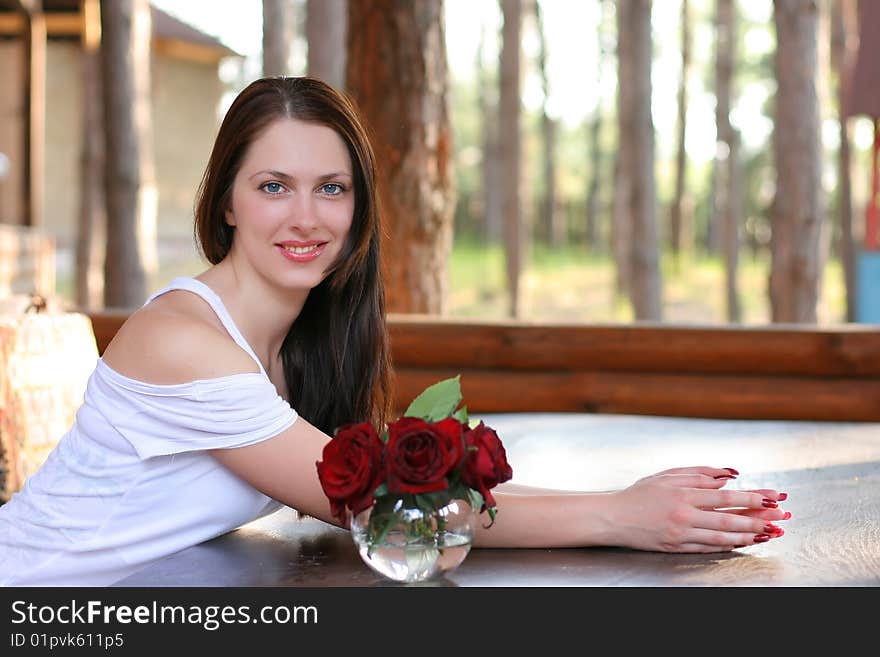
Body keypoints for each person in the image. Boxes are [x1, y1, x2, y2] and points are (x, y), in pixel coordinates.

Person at [0, 77, 788, 586]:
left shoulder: (295, 342)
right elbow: (384, 507)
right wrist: (620, 515)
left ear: (358, 207)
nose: (305, 216)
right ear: (228, 201)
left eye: (330, 188)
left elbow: (411, 494)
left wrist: (619, 501)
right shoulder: (184, 341)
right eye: (273, 185)